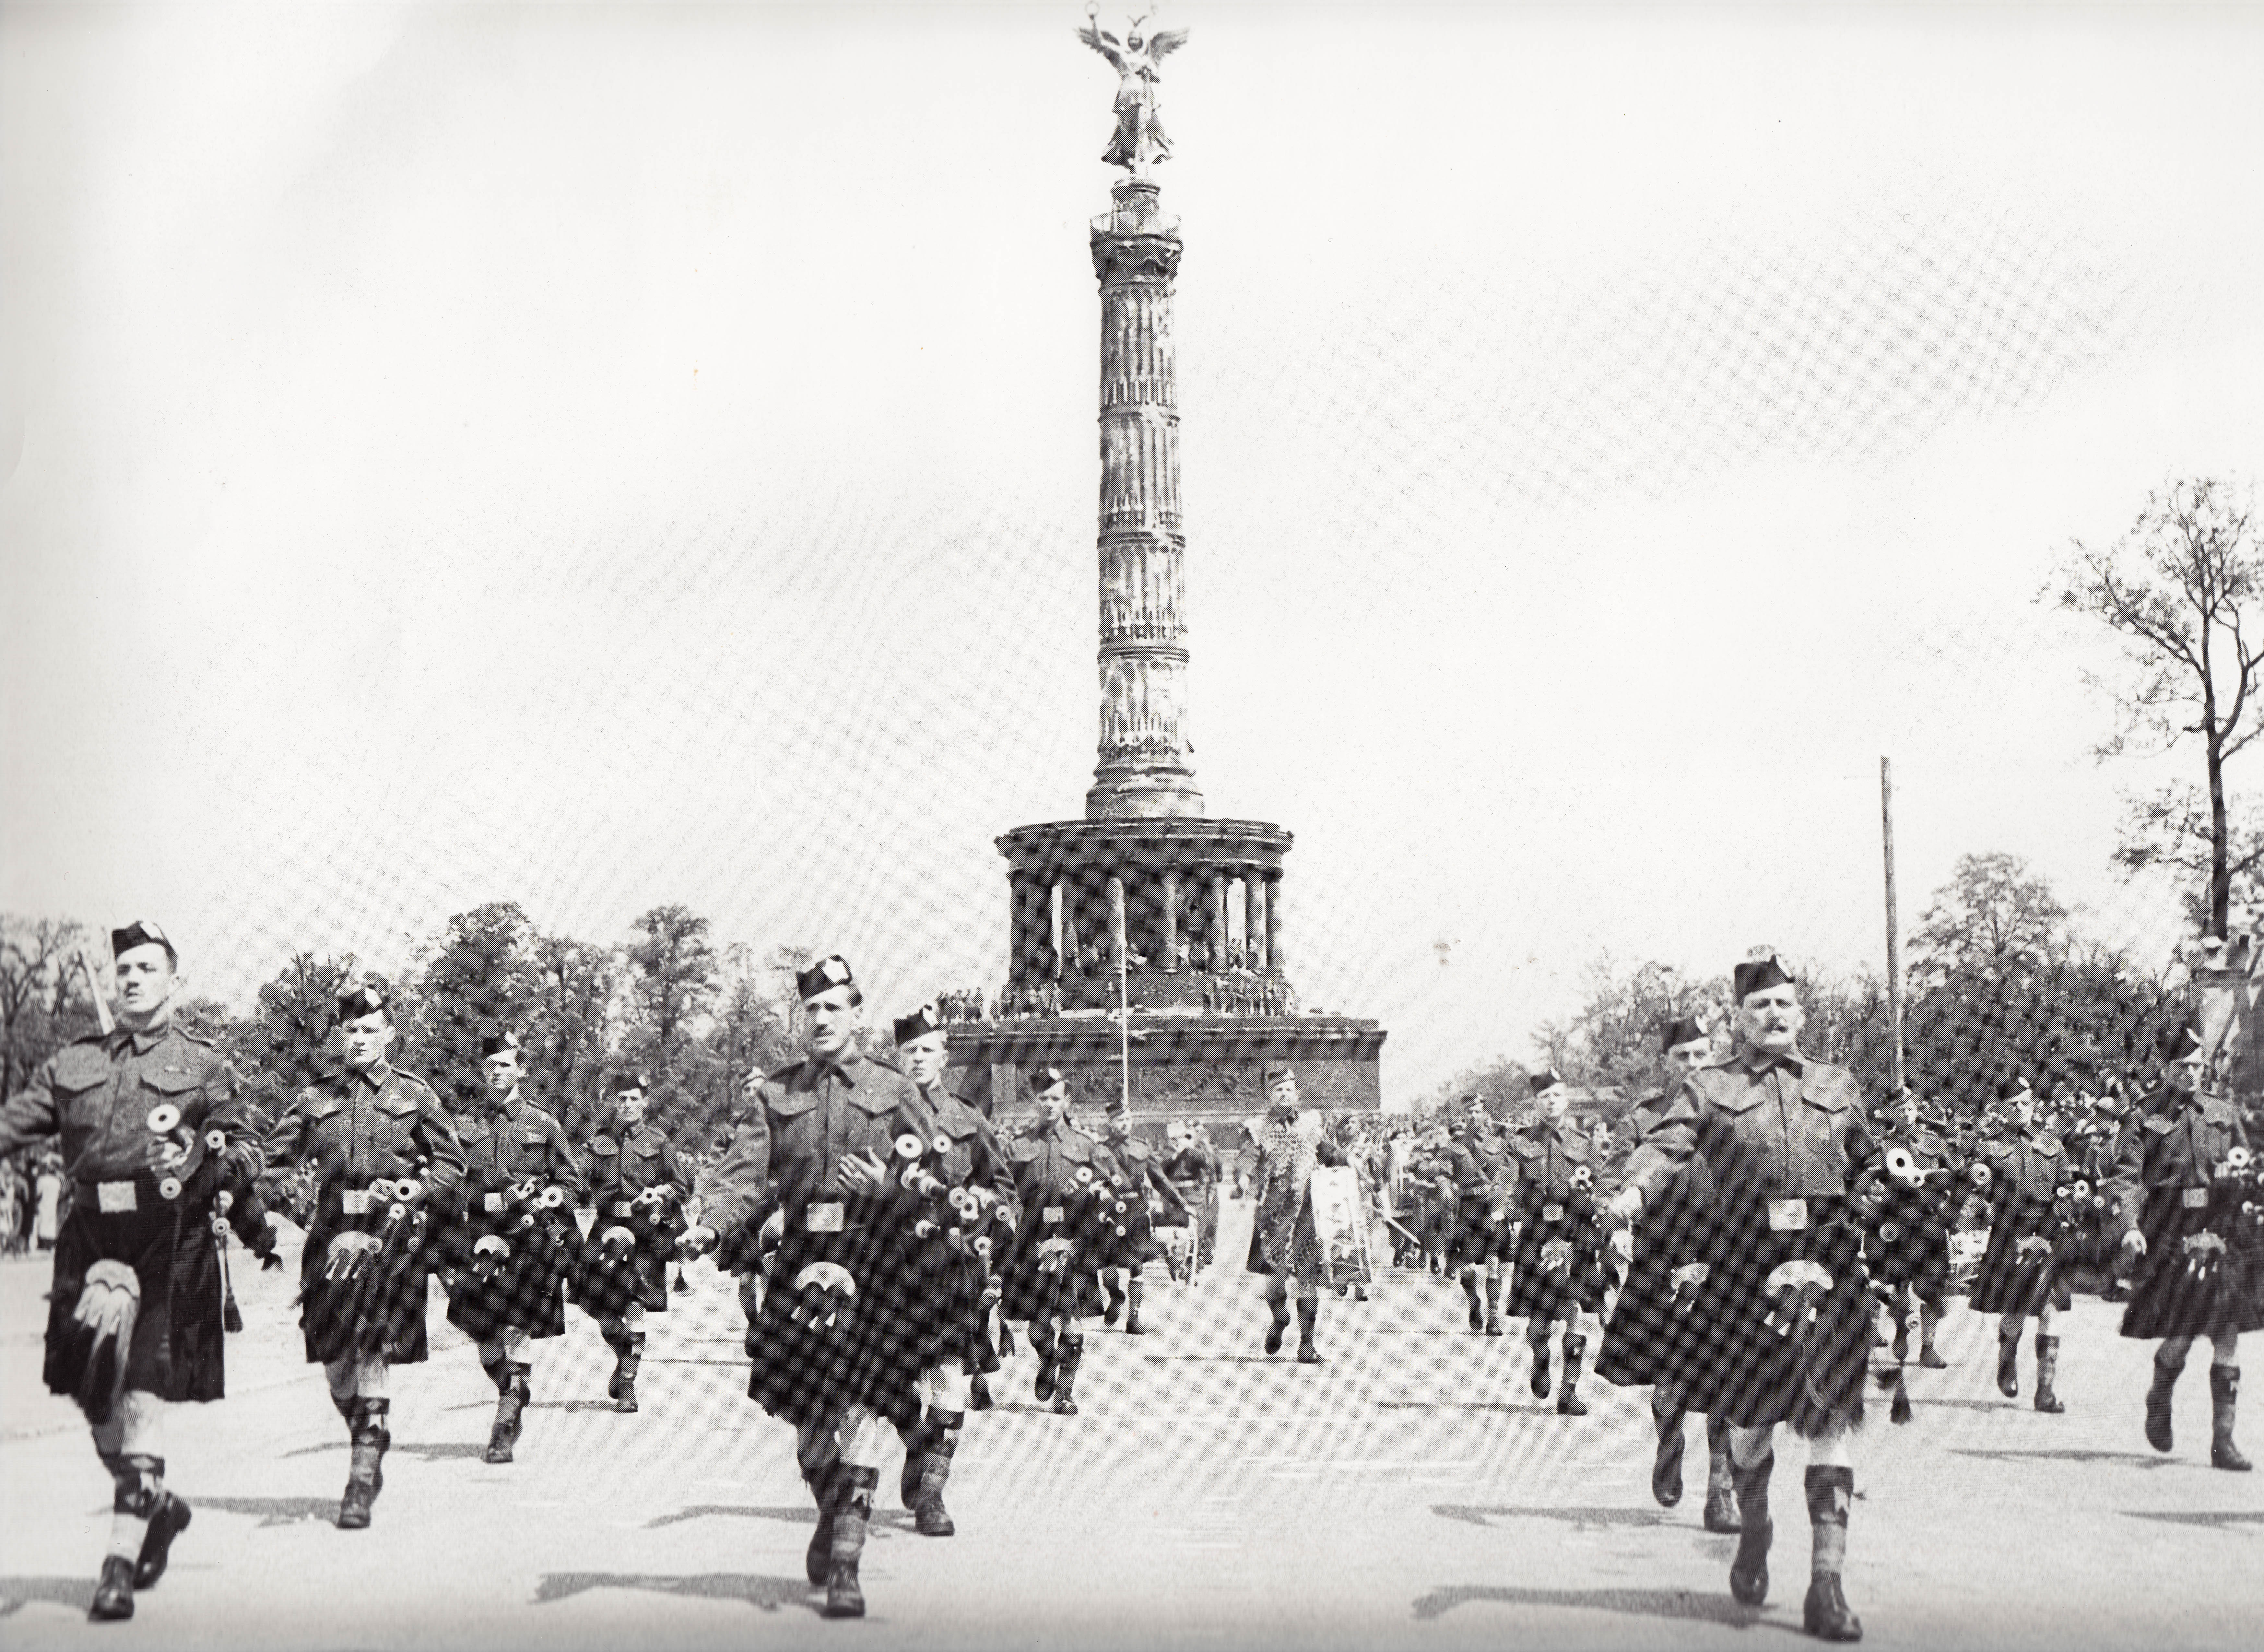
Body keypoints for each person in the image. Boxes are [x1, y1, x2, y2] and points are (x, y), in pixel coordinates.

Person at [1611, 957, 1882, 1643]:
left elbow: (1870, 1158)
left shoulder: (1837, 1082)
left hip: (1827, 1262)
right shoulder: (1710, 1085)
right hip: (1746, 1266)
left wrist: (1875, 1192)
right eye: (1759, 1005)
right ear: (1739, 1015)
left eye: (1784, 1003)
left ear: (1801, 1012)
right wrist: (1633, 1190)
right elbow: (1666, 1146)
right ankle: (1756, 1531)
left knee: (1830, 1421)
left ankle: (1827, 1582)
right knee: (1749, 1427)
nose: (1773, 1014)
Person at [0, 922, 261, 1622]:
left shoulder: (204, 1064)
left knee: (143, 1388)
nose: (134, 977)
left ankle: (116, 1565)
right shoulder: (73, 1062)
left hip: (162, 1237)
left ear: (175, 981)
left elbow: (244, 1150)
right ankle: (160, 1506)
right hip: (86, 1238)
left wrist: (204, 1162)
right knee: (97, 1401)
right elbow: (13, 1123)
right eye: (126, 968)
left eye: (149, 967)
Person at [679, 954, 930, 1618]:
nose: (820, 1019)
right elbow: (740, 1173)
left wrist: (890, 1189)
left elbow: (942, 1184)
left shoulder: (895, 1088)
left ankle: (847, 1560)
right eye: (811, 1009)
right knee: (811, 1425)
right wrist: (709, 1226)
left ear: (857, 1014)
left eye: (833, 1007)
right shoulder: (777, 1093)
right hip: (800, 1263)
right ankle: (831, 1512)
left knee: (858, 1408)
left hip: (874, 1257)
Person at [261, 980, 465, 1530]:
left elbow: (451, 1164)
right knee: (335, 1365)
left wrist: (414, 1192)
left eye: (368, 1029)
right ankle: (369, 1435)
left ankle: (358, 1481)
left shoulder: (414, 1093)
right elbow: (273, 1163)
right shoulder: (315, 1096)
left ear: (389, 1034)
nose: (357, 1038)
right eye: (349, 1029)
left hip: (389, 1234)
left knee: (373, 1348)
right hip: (329, 1232)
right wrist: (248, 1188)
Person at [889, 1003, 1020, 1536]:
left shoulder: (967, 1116)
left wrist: (987, 1217)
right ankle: (916, 1442)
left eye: (927, 1051)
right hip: (891, 1259)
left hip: (949, 1264)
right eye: (909, 1051)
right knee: (885, 1374)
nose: (919, 1059)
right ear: (897, 1057)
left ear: (944, 1057)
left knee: (947, 1373)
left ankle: (931, 1495)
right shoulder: (880, 1112)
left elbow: (1003, 1185)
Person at [1598, 1016, 1734, 1526]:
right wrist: (1617, 1223)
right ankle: (1670, 1444)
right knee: (1670, 1379)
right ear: (1667, 1062)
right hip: (1662, 1253)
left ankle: (1721, 1491)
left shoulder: (1733, 1110)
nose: (1694, 1065)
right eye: (1684, 1057)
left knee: (1725, 1372)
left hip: (1725, 1247)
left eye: (1702, 1055)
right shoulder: (1644, 1117)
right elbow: (1612, 1179)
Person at [2104, 1027, 2260, 1471]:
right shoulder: (2141, 1116)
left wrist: (2246, 1190)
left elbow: (2245, 1165)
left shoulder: (2223, 1112)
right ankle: (2161, 1391)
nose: (2191, 1074)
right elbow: (2127, 1178)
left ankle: (2223, 1442)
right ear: (2164, 1069)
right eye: (2182, 1067)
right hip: (2172, 1232)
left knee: (2227, 1330)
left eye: (2197, 1066)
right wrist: (2130, 1227)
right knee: (2183, 1333)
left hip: (2220, 1227)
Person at [444, 1031, 583, 1462]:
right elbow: (446, 1174)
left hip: (527, 1233)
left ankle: (503, 1424)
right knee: (484, 1334)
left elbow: (571, 1182)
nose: (495, 1071)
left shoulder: (543, 1122)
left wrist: (550, 1197)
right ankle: (515, 1387)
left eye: (504, 1064)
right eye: (489, 1065)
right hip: (480, 1233)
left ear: (521, 1069)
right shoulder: (463, 1124)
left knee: (516, 1324)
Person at [573, 1073, 691, 1413]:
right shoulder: (598, 1141)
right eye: (621, 1098)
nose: (626, 1104)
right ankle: (625, 1352)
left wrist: (660, 1192)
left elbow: (680, 1186)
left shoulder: (658, 1141)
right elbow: (574, 1171)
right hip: (607, 1227)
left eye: (633, 1098)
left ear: (645, 1101)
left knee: (635, 1304)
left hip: (644, 1231)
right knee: (600, 1308)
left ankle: (628, 1386)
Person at [1505, 1067, 1610, 1416]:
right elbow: (1505, 1179)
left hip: (1576, 1230)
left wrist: (1605, 1211)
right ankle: (1540, 1351)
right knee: (1539, 1319)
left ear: (1566, 1099)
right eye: (1545, 1096)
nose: (1552, 1101)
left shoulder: (1584, 1143)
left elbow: (1603, 1185)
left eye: (1557, 1095)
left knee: (1577, 1304)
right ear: (1536, 1102)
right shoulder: (1521, 1141)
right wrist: (1497, 1208)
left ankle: (1569, 1391)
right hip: (1538, 1233)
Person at [1966, 1077, 2074, 1413]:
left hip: (2047, 1234)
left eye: (2025, 1102)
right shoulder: (1988, 1147)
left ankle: (2045, 1390)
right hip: (2010, 1236)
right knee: (2015, 1313)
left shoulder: (2054, 1145)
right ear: (2002, 1109)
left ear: (2034, 1103)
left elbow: (2067, 1183)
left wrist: (2069, 1200)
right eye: (2012, 1104)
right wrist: (1966, 1218)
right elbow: (1973, 1189)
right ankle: (2007, 1360)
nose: (2019, 1108)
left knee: (2049, 1312)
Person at [1001, 1068, 1103, 1414]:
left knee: (1072, 1311)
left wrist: (1087, 1197)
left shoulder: (1085, 1145)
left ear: (1067, 1101)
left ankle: (1065, 1391)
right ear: (1036, 1100)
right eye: (1043, 1097)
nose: (1049, 1103)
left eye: (1056, 1097)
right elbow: (1005, 1192)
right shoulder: (1018, 1146)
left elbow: (1107, 1195)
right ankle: (1048, 1361)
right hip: (1034, 1236)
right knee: (1040, 1318)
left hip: (1075, 1234)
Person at [1244, 1066, 1344, 1363]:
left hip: (1306, 1214)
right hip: (1272, 1215)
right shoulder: (1258, 1128)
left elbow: (1328, 1151)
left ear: (1297, 1094)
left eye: (1289, 1089)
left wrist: (1347, 1162)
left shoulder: (1313, 1123)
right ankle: (1279, 1319)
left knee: (1307, 1275)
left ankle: (1307, 1344)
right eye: (1278, 1090)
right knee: (1276, 1277)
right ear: (1270, 1097)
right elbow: (1250, 1156)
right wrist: (1245, 1176)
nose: (1284, 1094)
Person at [1877, 1088, 1955, 1368]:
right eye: (1901, 1108)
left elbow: (1954, 1174)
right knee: (1900, 1281)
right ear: (1892, 1113)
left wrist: (1946, 1206)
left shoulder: (1932, 1142)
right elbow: (1871, 1180)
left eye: (1911, 1106)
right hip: (1896, 1221)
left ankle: (1928, 1347)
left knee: (1932, 1284)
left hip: (1929, 1220)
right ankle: (1901, 1324)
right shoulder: (1883, 1146)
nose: (1908, 1112)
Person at [1094, 1112, 1191, 1334]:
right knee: (1108, 1262)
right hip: (1110, 1210)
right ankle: (1116, 1295)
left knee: (1136, 1261)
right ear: (1110, 1123)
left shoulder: (1141, 1148)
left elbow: (1160, 1179)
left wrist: (1181, 1203)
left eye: (1128, 1120)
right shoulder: (1099, 1150)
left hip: (1136, 1210)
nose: (1125, 1124)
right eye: (1120, 1120)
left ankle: (1134, 1318)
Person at [1444, 1095, 1513, 1334]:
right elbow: (1443, 1171)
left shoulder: (1499, 1144)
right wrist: (1444, 1184)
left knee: (1494, 1264)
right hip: (1467, 1210)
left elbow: (1508, 1175)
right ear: (1463, 1116)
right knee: (1468, 1270)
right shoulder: (1454, 1147)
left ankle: (1494, 1319)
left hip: (1492, 1207)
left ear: (1485, 1114)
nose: (1474, 1116)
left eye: (1478, 1111)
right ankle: (1474, 1301)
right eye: (1469, 1112)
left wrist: (1503, 1205)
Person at [1161, 1120, 1222, 1272]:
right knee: (1176, 1229)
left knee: (1197, 1229)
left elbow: (1208, 1164)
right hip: (1174, 1195)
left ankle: (1194, 1261)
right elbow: (1163, 1166)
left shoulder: (1198, 1149)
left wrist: (1190, 1149)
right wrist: (1179, 1153)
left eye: (1187, 1136)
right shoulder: (1168, 1149)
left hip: (1195, 1194)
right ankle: (1175, 1258)